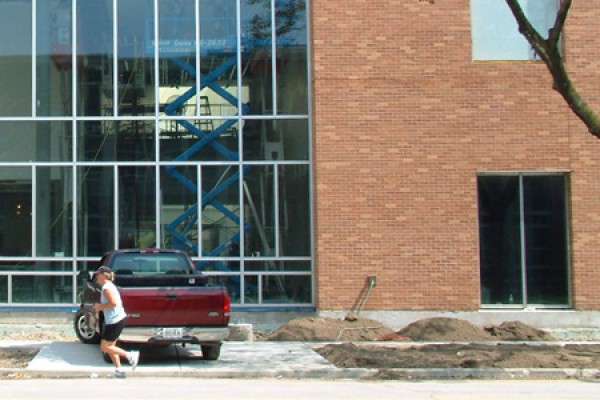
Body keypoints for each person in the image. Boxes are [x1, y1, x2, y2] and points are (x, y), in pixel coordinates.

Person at [93, 265, 139, 378]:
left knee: (104, 347)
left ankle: (130, 355)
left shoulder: (107, 288)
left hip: (115, 321)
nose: (97, 277)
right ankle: (119, 370)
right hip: (116, 320)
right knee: (111, 346)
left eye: (98, 274)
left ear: (105, 275)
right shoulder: (108, 286)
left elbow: (113, 303)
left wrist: (100, 307)